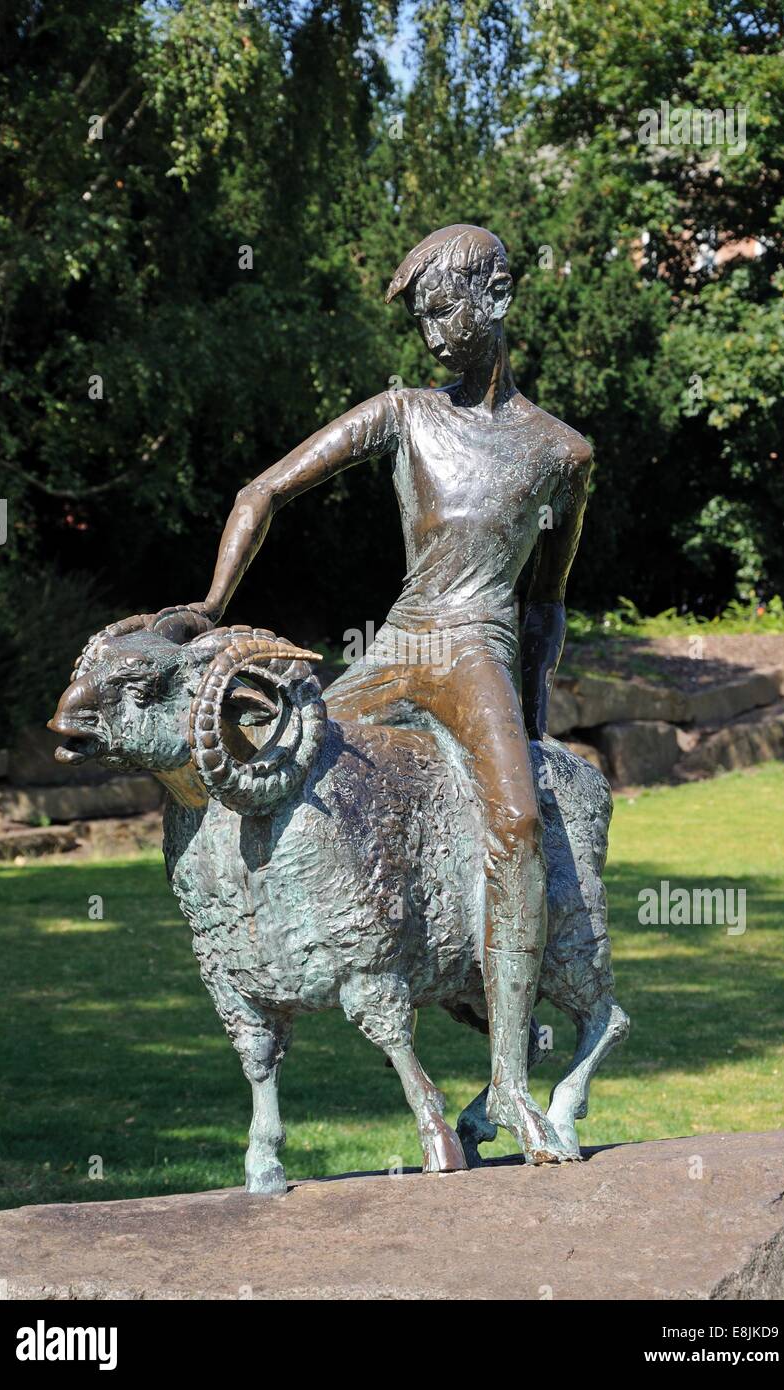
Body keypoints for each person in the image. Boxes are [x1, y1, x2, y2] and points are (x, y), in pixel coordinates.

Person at [195, 225, 592, 1163]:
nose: (430, 333)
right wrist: (211, 605)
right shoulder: (404, 412)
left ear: (495, 296)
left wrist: (528, 730)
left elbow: (546, 602)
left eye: (443, 308)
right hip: (399, 645)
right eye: (418, 317)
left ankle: (508, 1085)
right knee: (275, 752)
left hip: (479, 653)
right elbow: (263, 490)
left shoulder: (561, 454)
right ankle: (264, 985)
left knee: (520, 827)